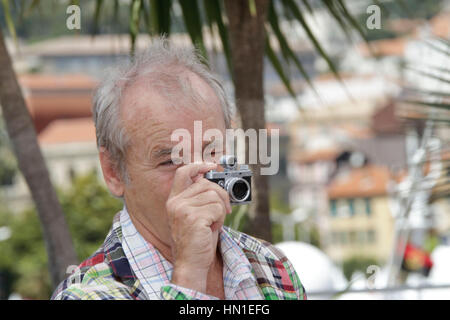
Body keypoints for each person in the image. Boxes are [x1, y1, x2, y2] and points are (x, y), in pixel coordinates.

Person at [51, 39, 306, 300]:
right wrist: (189, 276)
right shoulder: (87, 293)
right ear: (113, 172)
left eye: (212, 151)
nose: (199, 176)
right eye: (170, 161)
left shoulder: (271, 266)